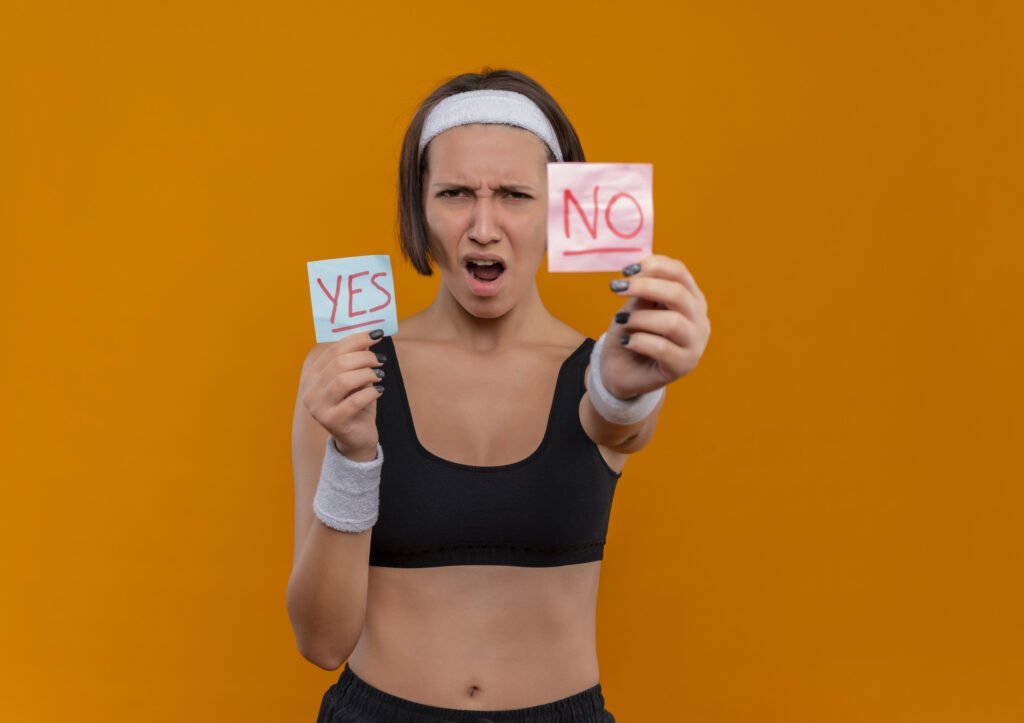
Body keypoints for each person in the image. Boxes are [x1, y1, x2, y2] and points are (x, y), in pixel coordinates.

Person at [288, 67, 711, 723]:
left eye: (515, 194)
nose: (484, 227)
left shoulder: (609, 368)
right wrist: (354, 453)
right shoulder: (345, 374)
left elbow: (614, 417)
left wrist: (626, 389)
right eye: (456, 193)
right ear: (418, 207)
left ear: (562, 211)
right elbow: (320, 642)